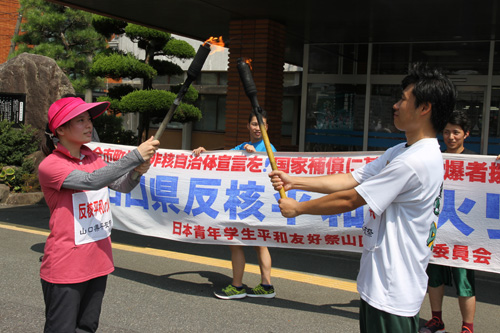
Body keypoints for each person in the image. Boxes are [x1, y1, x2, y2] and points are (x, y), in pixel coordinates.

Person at [269, 63, 456, 332]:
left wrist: (298, 208)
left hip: (392, 291)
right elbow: (352, 178)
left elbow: (351, 199)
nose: (395, 105)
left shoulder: (413, 161)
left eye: (403, 99)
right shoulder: (403, 151)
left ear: (424, 108)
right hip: (381, 284)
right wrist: (295, 180)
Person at [38, 96, 159, 332]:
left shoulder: (92, 158)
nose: (89, 125)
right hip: (66, 267)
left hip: (98, 262)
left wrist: (136, 172)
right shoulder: (51, 165)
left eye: (89, 119)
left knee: (87, 327)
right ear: (60, 129)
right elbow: (92, 181)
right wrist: (134, 156)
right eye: (80, 120)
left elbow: (121, 185)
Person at [192, 111, 276, 300]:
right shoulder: (240, 147)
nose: (257, 128)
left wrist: (257, 155)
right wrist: (205, 153)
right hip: (243, 201)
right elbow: (221, 159)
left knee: (243, 242)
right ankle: (266, 286)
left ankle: (239, 286)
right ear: (248, 126)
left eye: (261, 124)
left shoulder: (269, 148)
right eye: (254, 124)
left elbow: (274, 168)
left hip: (253, 202)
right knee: (254, 243)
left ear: (267, 128)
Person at [420, 109, 476, 333]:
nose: (450, 137)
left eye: (456, 132)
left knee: (465, 280)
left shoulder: (476, 162)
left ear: (466, 134)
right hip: (437, 229)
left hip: (463, 232)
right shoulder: (435, 159)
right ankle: (437, 320)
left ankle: (467, 327)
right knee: (434, 277)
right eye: (446, 132)